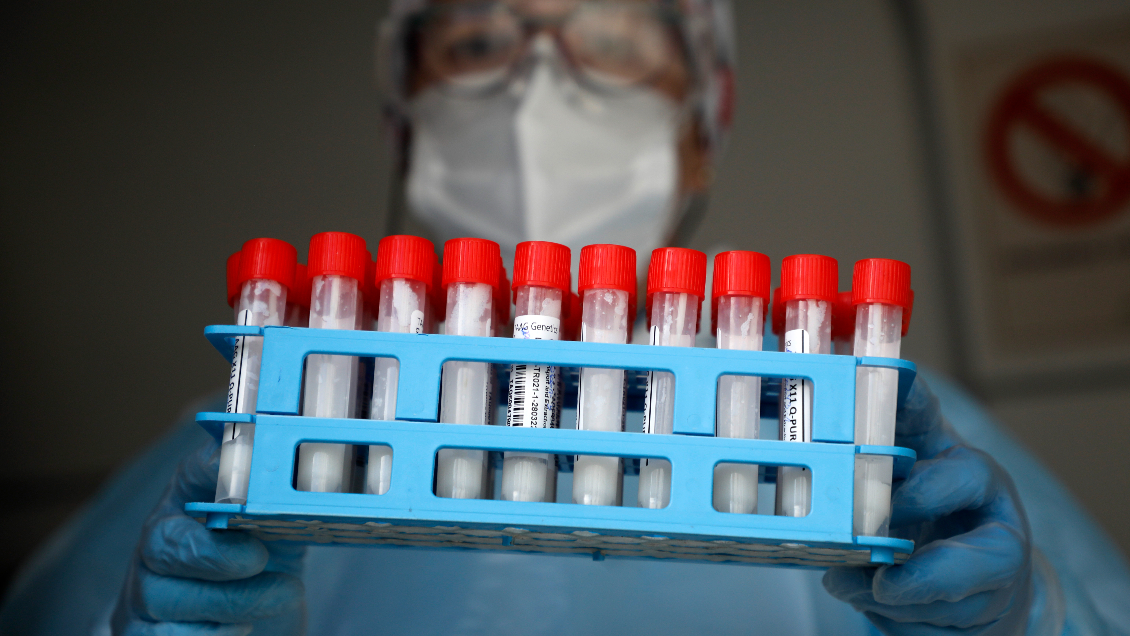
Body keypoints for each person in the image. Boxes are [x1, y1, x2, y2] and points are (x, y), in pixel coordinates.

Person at [2, 1, 1128, 634]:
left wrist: (1027, 620)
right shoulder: (269, 430)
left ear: (703, 124)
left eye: (610, 43)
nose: (536, 86)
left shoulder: (871, 428)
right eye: (477, 45)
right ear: (403, 124)